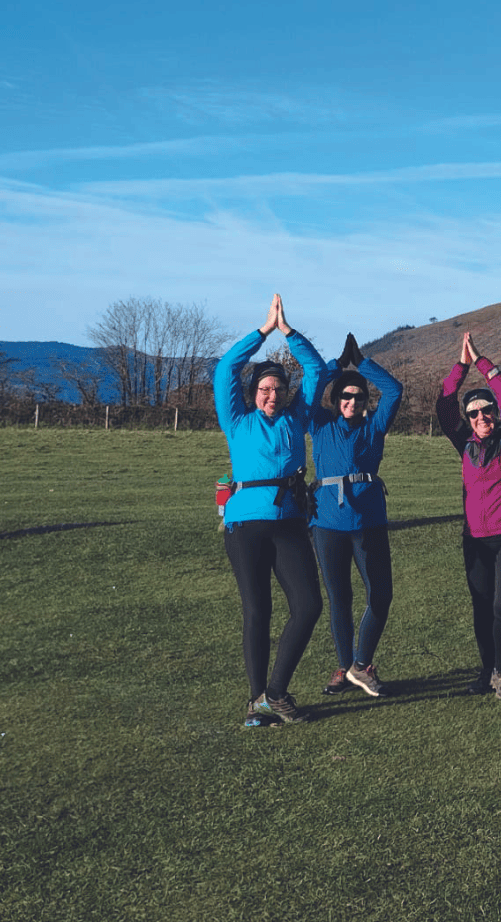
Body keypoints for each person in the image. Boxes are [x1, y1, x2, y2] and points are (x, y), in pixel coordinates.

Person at [213, 293, 325, 727]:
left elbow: (316, 371)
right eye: (264, 388)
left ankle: (276, 692)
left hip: (290, 523)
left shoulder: (297, 417)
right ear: (253, 392)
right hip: (245, 525)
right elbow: (226, 369)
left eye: (278, 388)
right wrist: (262, 332)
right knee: (257, 611)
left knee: (309, 605)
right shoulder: (238, 420)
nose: (272, 395)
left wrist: (288, 333)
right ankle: (256, 700)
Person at [309, 332, 403, 698]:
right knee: (339, 598)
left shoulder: (374, 427)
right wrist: (336, 366)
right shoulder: (319, 424)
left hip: (369, 522)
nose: (352, 400)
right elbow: (309, 390)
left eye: (359, 396)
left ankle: (361, 664)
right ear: (336, 400)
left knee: (380, 595)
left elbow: (393, 391)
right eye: (345, 395)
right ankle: (344, 666)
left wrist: (361, 363)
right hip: (327, 524)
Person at [437, 332, 501, 699]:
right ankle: (486, 670)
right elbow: (444, 406)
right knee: (481, 607)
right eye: (473, 412)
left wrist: (481, 362)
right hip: (474, 539)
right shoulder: (464, 443)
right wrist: (459, 367)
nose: (480, 417)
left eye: (485, 410)